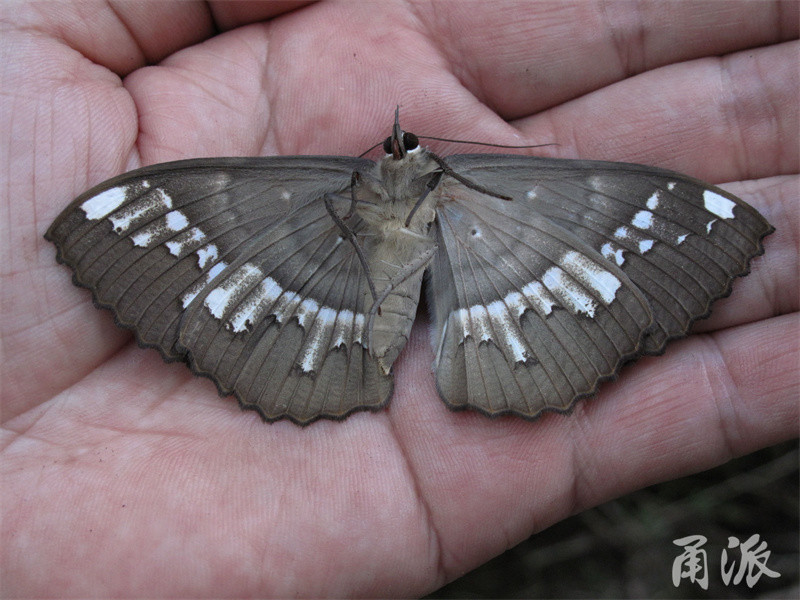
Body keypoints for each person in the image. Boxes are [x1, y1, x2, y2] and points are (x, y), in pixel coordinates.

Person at [1, 1, 797, 596]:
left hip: (379, 300)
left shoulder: (517, 188)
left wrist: (701, 225)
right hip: (324, 306)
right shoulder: (261, 192)